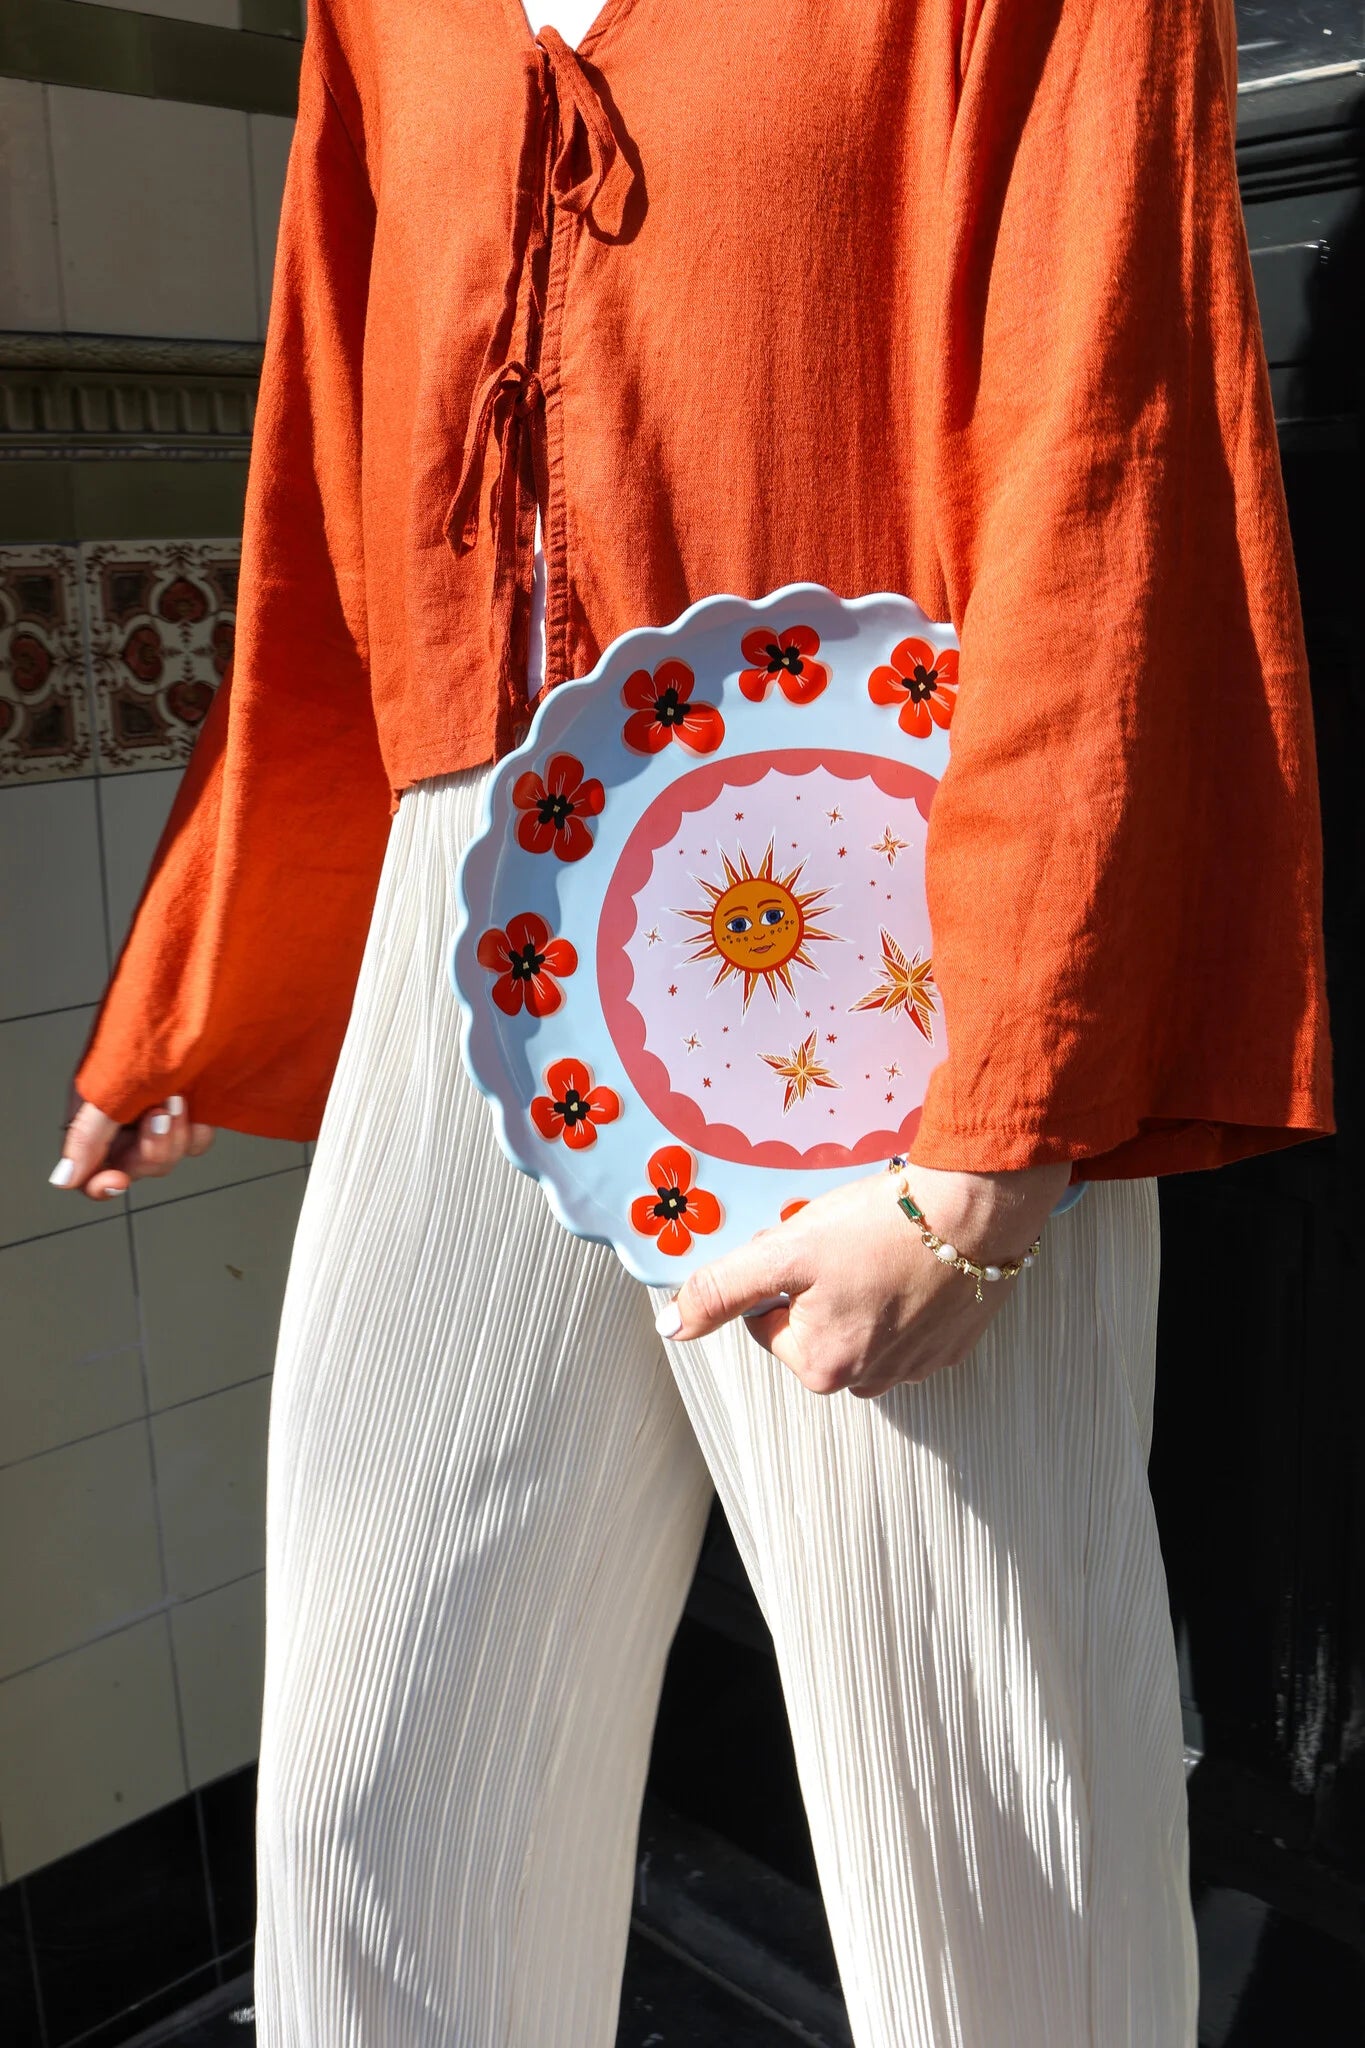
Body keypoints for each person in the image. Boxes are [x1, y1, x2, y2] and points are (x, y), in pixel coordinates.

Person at [50, 0, 1332, 2042]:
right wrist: (212, 954)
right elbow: (328, 466)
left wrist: (982, 1150)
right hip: (476, 929)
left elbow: (1110, 436)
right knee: (378, 1783)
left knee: (988, 1858)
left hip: (891, 931)